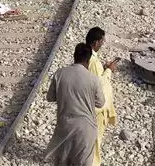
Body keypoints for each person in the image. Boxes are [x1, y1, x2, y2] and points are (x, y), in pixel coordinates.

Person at [43, 43, 106, 166]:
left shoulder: (59, 74)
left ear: (74, 56)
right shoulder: (93, 79)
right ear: (88, 60)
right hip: (86, 129)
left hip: (64, 127)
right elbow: (100, 103)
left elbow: (50, 97)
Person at [85, 28, 117, 166]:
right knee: (95, 137)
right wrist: (109, 70)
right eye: (102, 40)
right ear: (95, 42)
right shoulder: (93, 61)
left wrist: (104, 69)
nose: (103, 43)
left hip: (94, 106)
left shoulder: (89, 57)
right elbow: (99, 84)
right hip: (97, 109)